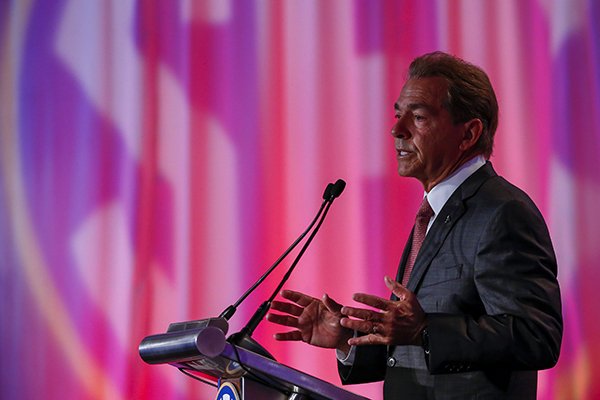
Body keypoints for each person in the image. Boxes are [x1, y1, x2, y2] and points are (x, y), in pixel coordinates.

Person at [266, 51, 563, 399]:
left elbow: (536, 335)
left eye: (418, 116)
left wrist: (425, 329)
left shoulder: (502, 212)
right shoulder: (435, 213)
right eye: (398, 114)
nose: (397, 129)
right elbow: (415, 347)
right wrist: (349, 338)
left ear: (468, 133)